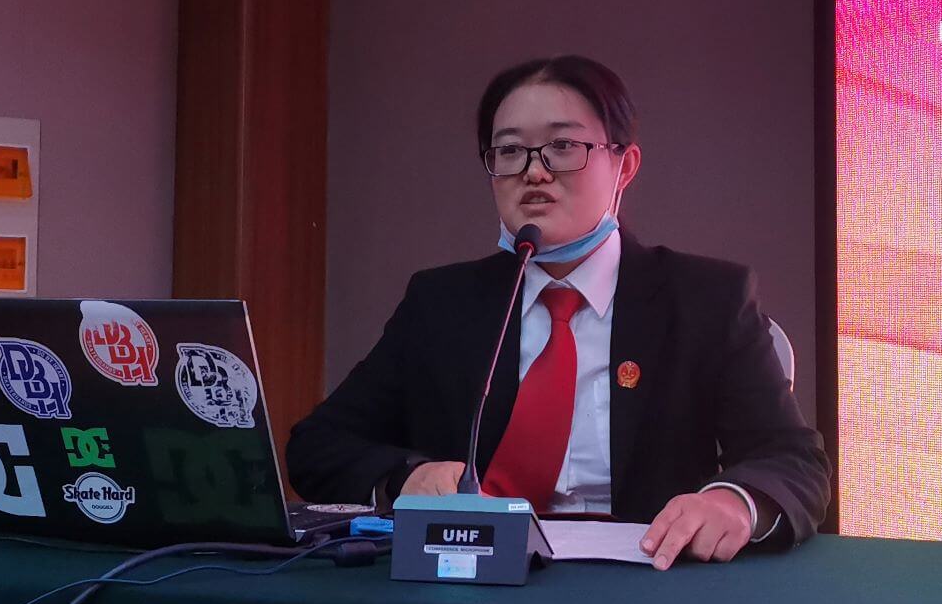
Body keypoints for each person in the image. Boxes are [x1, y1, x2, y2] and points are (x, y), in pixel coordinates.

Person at [287, 56, 830, 565]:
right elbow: (318, 445)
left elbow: (792, 460)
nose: (535, 172)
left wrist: (733, 502)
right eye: (509, 151)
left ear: (624, 166)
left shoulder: (705, 299)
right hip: (474, 577)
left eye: (563, 146)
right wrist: (407, 477)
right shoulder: (442, 303)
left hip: (650, 580)